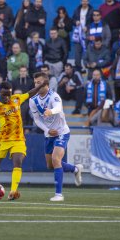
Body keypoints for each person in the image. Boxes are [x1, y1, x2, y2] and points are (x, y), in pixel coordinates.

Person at [29, 72, 83, 201]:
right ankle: (75, 169)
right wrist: (47, 130)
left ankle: (59, 194)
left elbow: (59, 108)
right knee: (50, 165)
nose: (36, 85)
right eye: (35, 82)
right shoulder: (33, 100)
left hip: (61, 132)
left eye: (39, 82)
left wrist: (50, 111)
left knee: (55, 158)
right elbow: (37, 120)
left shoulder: (54, 96)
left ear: (46, 84)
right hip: (49, 133)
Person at [72, 0, 93, 73]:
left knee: (87, 51)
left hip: (88, 34)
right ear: (81, 2)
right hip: (78, 34)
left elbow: (93, 21)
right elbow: (73, 20)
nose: (84, 2)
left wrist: (88, 27)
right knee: (77, 51)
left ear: (88, 2)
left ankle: (88, 67)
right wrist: (75, 22)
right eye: (83, 1)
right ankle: (78, 68)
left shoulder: (91, 10)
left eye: (86, 1)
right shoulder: (77, 10)